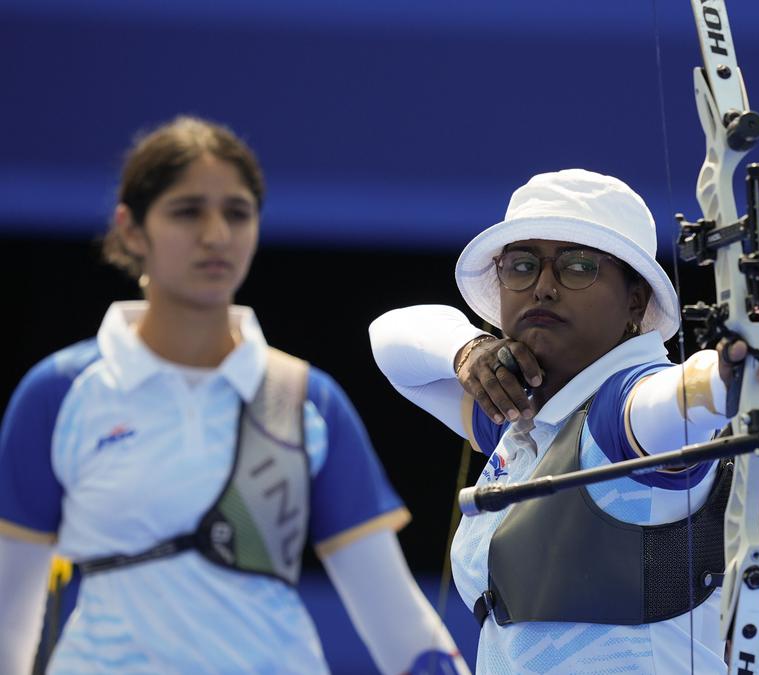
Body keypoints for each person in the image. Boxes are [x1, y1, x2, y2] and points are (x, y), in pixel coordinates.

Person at [0, 116, 468, 674]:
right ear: (130, 229)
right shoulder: (59, 393)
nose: (217, 234)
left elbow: (399, 625)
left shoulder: (306, 400)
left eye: (237, 212)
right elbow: (9, 620)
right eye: (187, 210)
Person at [369, 168, 759, 673]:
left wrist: (734, 372)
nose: (542, 288)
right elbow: (388, 339)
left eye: (578, 266)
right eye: (521, 266)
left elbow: (674, 400)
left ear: (635, 300)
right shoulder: (518, 415)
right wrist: (468, 349)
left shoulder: (623, 413)